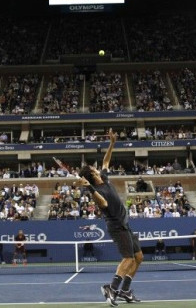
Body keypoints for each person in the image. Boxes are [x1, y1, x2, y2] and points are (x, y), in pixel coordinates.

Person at [78, 128, 143, 306]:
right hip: (116, 226)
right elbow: (103, 204)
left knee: (138, 257)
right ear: (92, 175)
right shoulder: (97, 191)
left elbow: (106, 161)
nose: (97, 168)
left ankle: (125, 290)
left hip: (125, 223)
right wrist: (89, 188)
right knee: (128, 258)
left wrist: (112, 143)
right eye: (94, 169)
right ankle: (112, 288)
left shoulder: (104, 179)